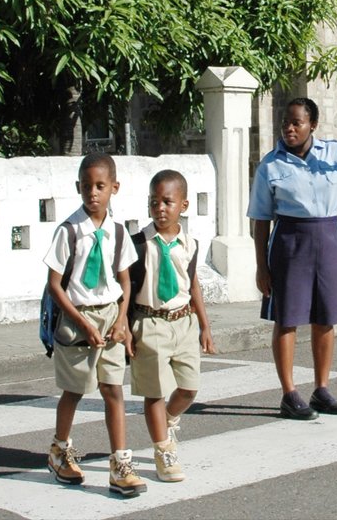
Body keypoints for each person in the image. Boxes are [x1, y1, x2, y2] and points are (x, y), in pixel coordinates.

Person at [247, 97, 337, 420]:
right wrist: (261, 266)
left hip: (327, 239)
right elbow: (260, 219)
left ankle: (321, 389)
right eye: (286, 122)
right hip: (289, 241)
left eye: (297, 122)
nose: (289, 128)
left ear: (312, 124)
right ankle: (289, 394)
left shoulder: (336, 153)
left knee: (325, 317)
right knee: (286, 319)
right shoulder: (271, 165)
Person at [43, 152, 146, 496]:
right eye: (86, 186)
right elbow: (55, 285)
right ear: (78, 187)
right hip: (77, 317)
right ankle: (59, 450)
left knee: (113, 389)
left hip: (110, 315)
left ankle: (120, 464)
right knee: (74, 390)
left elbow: (126, 281)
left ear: (114, 187)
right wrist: (82, 323)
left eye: (100, 186)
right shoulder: (69, 231)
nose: (93, 193)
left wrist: (121, 320)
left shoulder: (118, 231)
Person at [129, 169, 216, 482]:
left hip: (183, 322)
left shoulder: (189, 244)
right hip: (149, 322)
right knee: (153, 392)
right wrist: (124, 329)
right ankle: (163, 449)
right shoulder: (138, 244)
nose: (160, 208)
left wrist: (204, 326)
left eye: (167, 202)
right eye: (154, 202)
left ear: (184, 205)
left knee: (189, 388)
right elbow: (126, 287)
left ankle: (167, 420)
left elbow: (193, 285)